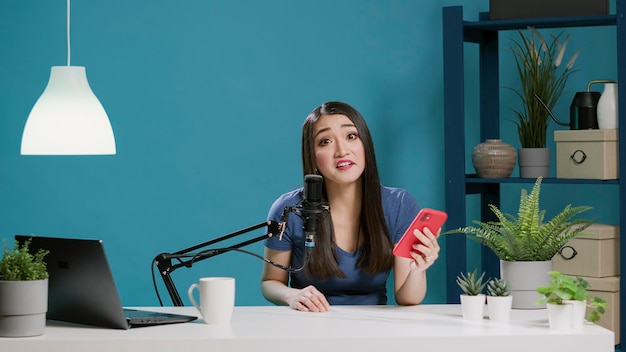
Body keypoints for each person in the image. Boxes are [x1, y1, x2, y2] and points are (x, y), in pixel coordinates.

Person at [260, 101, 440, 312]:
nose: (342, 150)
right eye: (325, 141)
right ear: (313, 156)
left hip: (374, 332)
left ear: (366, 144)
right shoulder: (289, 209)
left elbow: (407, 298)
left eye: (351, 136)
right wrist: (293, 296)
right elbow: (270, 282)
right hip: (309, 329)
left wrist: (419, 269)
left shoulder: (399, 205)